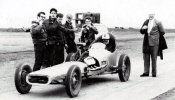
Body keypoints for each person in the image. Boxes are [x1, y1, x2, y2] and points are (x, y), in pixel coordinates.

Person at [140, 13, 166, 77]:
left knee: (154, 58)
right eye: (149, 14)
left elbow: (163, 32)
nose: (151, 16)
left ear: (154, 15)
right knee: (146, 57)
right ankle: (146, 72)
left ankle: (154, 73)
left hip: (155, 43)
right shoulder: (146, 22)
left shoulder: (158, 22)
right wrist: (143, 28)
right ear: (148, 15)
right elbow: (141, 32)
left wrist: (156, 37)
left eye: (152, 14)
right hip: (146, 42)